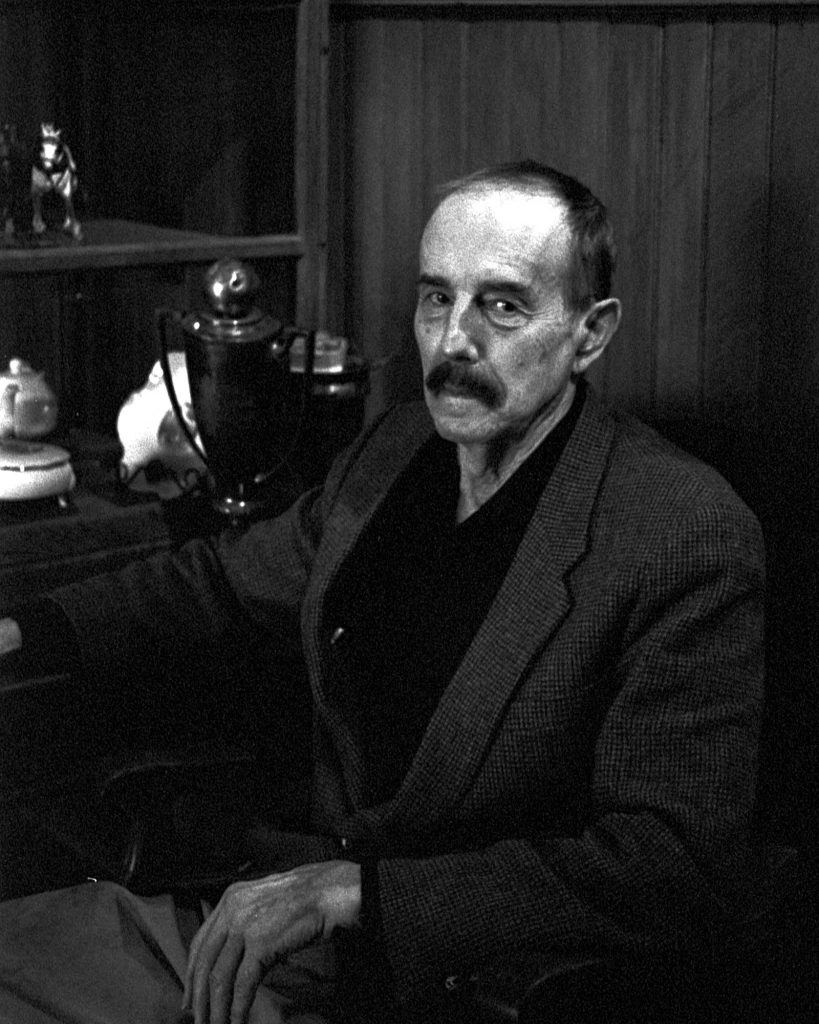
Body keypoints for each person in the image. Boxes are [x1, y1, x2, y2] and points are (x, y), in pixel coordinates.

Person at [0, 160, 767, 1024]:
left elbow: (670, 865)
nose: (452, 343)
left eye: (503, 306)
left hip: (447, 983)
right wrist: (26, 628)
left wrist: (357, 895)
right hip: (263, 924)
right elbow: (221, 580)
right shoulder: (398, 450)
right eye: (436, 299)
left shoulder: (680, 530)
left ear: (589, 335)